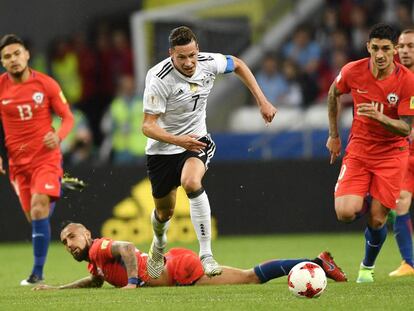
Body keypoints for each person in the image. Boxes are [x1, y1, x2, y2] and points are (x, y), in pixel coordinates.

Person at [142, 26, 277, 278]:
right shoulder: (158, 78)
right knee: (164, 212)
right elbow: (147, 126)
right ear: (171, 53)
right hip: (162, 149)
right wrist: (178, 140)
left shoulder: (208, 62)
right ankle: (159, 245)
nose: (189, 62)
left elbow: (237, 64)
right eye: (182, 57)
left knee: (192, 182)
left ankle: (206, 254)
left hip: (196, 140)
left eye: (192, 55)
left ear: (198, 50)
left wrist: (262, 100)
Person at [326, 23, 414, 283]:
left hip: (392, 154)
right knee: (344, 212)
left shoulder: (407, 81)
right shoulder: (352, 71)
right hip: (360, 151)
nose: (380, 54)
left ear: (394, 50)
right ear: (368, 47)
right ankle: (366, 196)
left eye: (386, 49)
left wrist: (378, 116)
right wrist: (333, 135)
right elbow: (333, 94)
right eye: (375, 48)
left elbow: (405, 128)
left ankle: (367, 266)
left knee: (377, 220)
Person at [32, 223, 347, 291]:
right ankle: (318, 261)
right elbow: (95, 281)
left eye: (71, 237)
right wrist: (57, 291)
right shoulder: (95, 262)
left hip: (181, 270)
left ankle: (318, 263)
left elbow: (127, 249)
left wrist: (130, 283)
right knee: (248, 275)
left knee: (249, 276)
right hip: (173, 268)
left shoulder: (99, 247)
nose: (68, 244)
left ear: (86, 234)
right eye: (63, 242)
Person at [0, 34, 74, 285]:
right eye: (7, 56)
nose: (13, 60)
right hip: (17, 164)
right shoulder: (0, 87)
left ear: (27, 54)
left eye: (17, 54)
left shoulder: (46, 84)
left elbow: (68, 117)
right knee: (35, 217)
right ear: (2, 61)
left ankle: (37, 274)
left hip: (46, 158)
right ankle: (56, 185)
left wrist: (59, 135)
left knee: (39, 207)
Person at [388, 29, 414, 277]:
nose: (405, 50)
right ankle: (410, 263)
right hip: (405, 150)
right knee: (400, 200)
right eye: (402, 46)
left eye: (411, 46)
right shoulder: (391, 77)